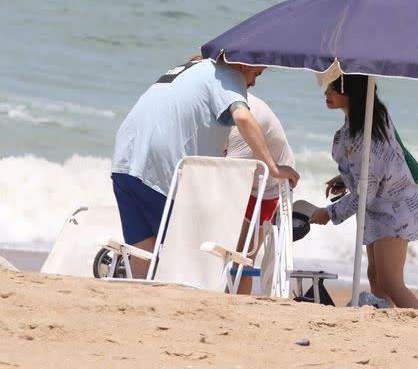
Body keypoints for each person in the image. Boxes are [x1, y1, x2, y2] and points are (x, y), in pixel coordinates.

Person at [111, 56, 300, 279]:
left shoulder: (193, 67)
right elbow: (243, 117)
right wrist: (273, 167)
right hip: (159, 167)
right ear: (244, 64)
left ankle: (142, 306)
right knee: (192, 253)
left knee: (142, 250)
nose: (253, 83)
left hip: (124, 159)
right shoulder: (228, 75)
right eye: (256, 73)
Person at [310, 75, 418, 310]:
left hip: (395, 210)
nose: (326, 93)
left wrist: (329, 213)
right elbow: (373, 171)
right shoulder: (365, 120)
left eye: (334, 88)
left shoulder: (368, 131)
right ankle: (387, 323)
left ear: (352, 93)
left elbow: (365, 194)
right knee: (375, 276)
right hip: (381, 207)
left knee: (391, 282)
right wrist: (345, 178)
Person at [224, 92, 295, 294]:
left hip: (268, 186)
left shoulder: (244, 114)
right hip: (252, 174)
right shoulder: (229, 103)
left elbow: (224, 175)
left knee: (243, 254)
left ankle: (235, 304)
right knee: (237, 252)